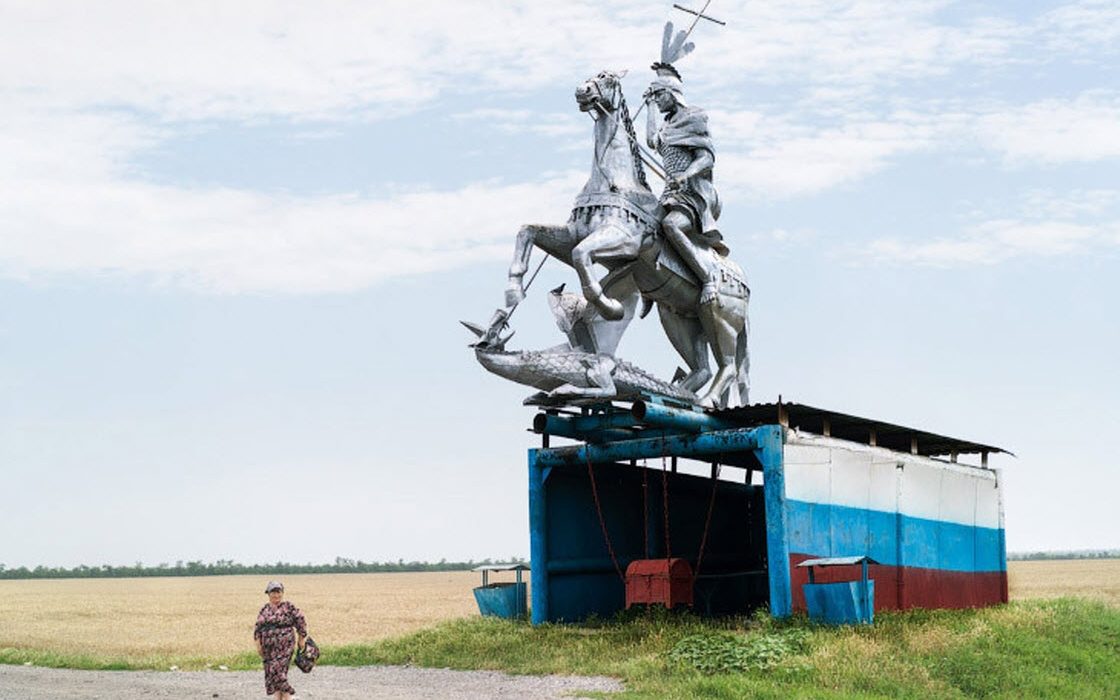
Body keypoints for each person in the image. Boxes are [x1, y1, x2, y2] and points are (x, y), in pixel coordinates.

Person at [644, 62, 727, 305]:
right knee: (642, 227)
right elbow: (651, 141)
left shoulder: (694, 118)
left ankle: (708, 278)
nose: (658, 100)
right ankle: (647, 285)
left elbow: (706, 158)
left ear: (672, 94)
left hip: (693, 195)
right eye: (655, 97)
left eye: (659, 95)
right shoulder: (667, 126)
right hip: (670, 194)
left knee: (671, 226)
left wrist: (685, 175)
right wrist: (648, 106)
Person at [254, 581, 308, 700]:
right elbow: (258, 628)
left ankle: (288, 694)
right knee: (273, 674)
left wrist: (301, 639)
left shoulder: (288, 607)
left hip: (285, 646)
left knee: (278, 672)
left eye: (278, 592)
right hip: (268, 649)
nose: (276, 595)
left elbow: (301, 622)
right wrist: (258, 645)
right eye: (273, 592)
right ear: (268, 593)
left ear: (282, 593)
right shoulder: (264, 609)